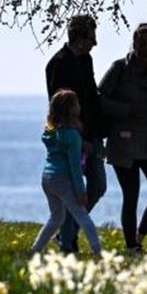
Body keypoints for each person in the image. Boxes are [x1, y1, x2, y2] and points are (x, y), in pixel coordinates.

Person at [99, 23, 147, 253]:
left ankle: (139, 236)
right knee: (130, 195)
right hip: (123, 143)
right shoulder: (119, 68)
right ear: (133, 44)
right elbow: (99, 99)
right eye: (142, 43)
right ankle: (131, 246)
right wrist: (126, 110)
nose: (146, 48)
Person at [44, 14, 107, 253]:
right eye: (92, 37)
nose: (95, 43)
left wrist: (98, 134)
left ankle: (66, 234)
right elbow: (59, 108)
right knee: (74, 193)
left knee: (98, 185)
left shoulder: (86, 60)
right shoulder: (58, 65)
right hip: (72, 140)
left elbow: (91, 98)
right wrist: (78, 139)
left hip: (91, 135)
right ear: (81, 38)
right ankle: (67, 240)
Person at [29, 89, 103, 256]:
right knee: (82, 216)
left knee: (56, 217)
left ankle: (36, 249)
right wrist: (81, 190)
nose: (79, 106)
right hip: (64, 179)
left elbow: (52, 142)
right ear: (72, 110)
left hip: (47, 178)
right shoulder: (72, 135)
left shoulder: (50, 132)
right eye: (76, 103)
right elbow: (74, 166)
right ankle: (98, 250)